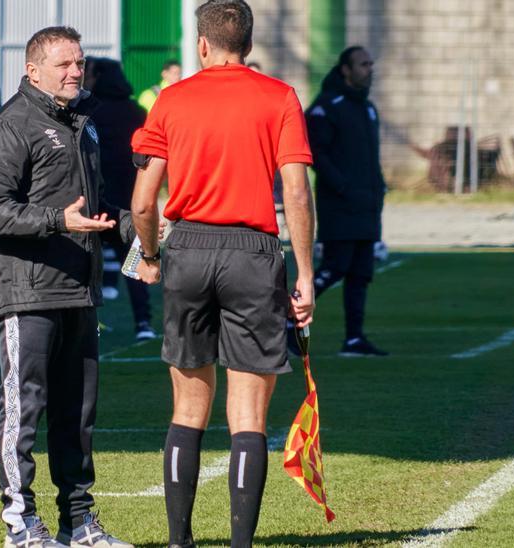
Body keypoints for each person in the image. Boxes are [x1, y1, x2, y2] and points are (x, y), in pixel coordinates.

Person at [128, 2, 316, 546]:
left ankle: (180, 540)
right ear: (249, 46)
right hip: (254, 250)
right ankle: (239, 544)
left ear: (202, 45)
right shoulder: (278, 97)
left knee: (188, 405)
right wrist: (303, 272)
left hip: (186, 246)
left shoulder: (170, 99)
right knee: (248, 412)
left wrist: (151, 255)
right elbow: (297, 192)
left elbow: (144, 203)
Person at [0, 26, 135, 548]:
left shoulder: (83, 124)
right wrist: (56, 222)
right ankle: (20, 525)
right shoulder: (9, 125)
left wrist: (146, 233)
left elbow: (99, 205)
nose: (74, 72)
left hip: (79, 291)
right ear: (32, 70)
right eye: (64, 64)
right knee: (24, 408)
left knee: (77, 414)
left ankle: (79, 523)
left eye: (80, 63)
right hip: (27, 292)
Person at [304, 45, 389, 357]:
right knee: (334, 267)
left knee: (360, 273)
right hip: (339, 206)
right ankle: (288, 325)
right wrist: (341, 185)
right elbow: (315, 153)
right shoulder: (327, 107)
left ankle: (354, 338)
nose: (369, 69)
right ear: (346, 69)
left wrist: (378, 187)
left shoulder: (367, 109)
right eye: (363, 64)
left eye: (370, 64)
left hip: (367, 205)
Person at [88, 58, 154, 340]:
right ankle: (144, 324)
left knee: (85, 261)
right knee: (135, 262)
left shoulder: (90, 111)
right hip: (130, 197)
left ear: (98, 76)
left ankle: (87, 323)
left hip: (97, 199)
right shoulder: (137, 111)